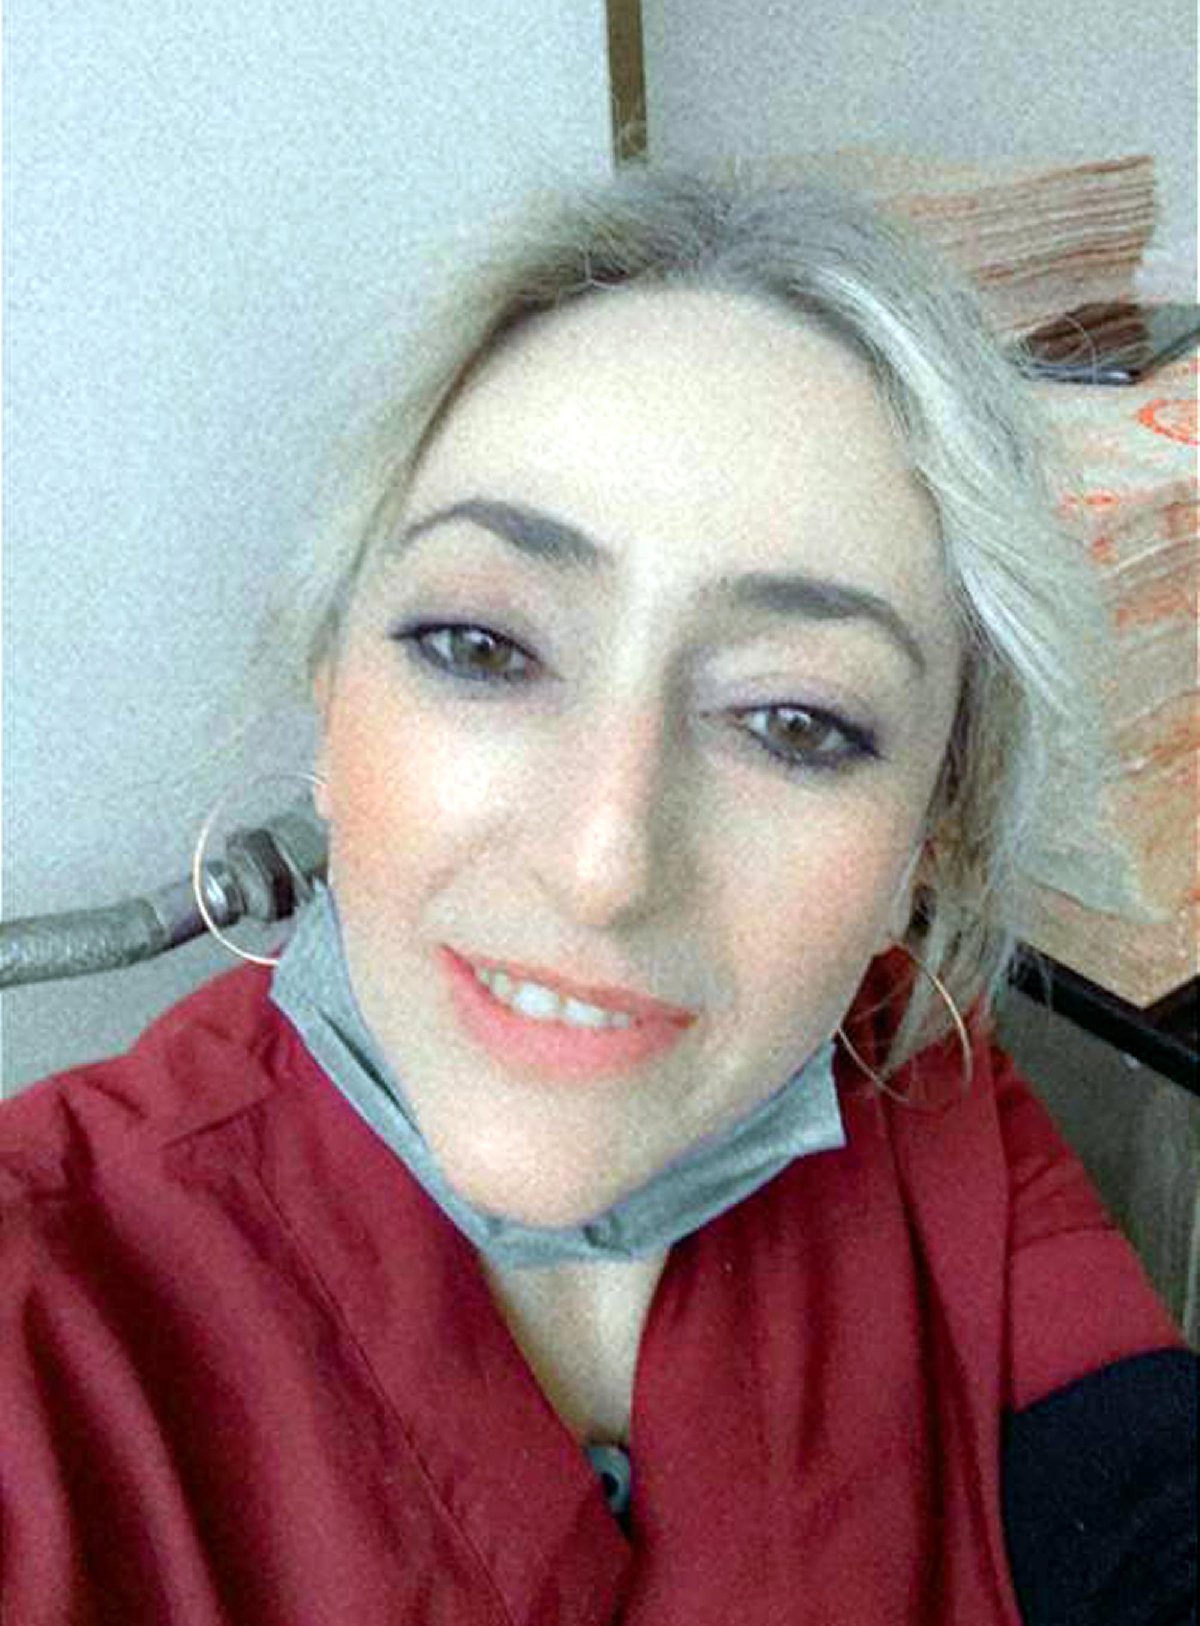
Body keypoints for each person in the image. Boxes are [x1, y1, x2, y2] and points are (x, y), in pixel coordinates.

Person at [1, 163, 1194, 1625]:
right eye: (482, 647)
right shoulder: (40, 1317)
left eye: (794, 723)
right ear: (332, 696)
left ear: (925, 849)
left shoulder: (920, 1085)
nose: (602, 866)